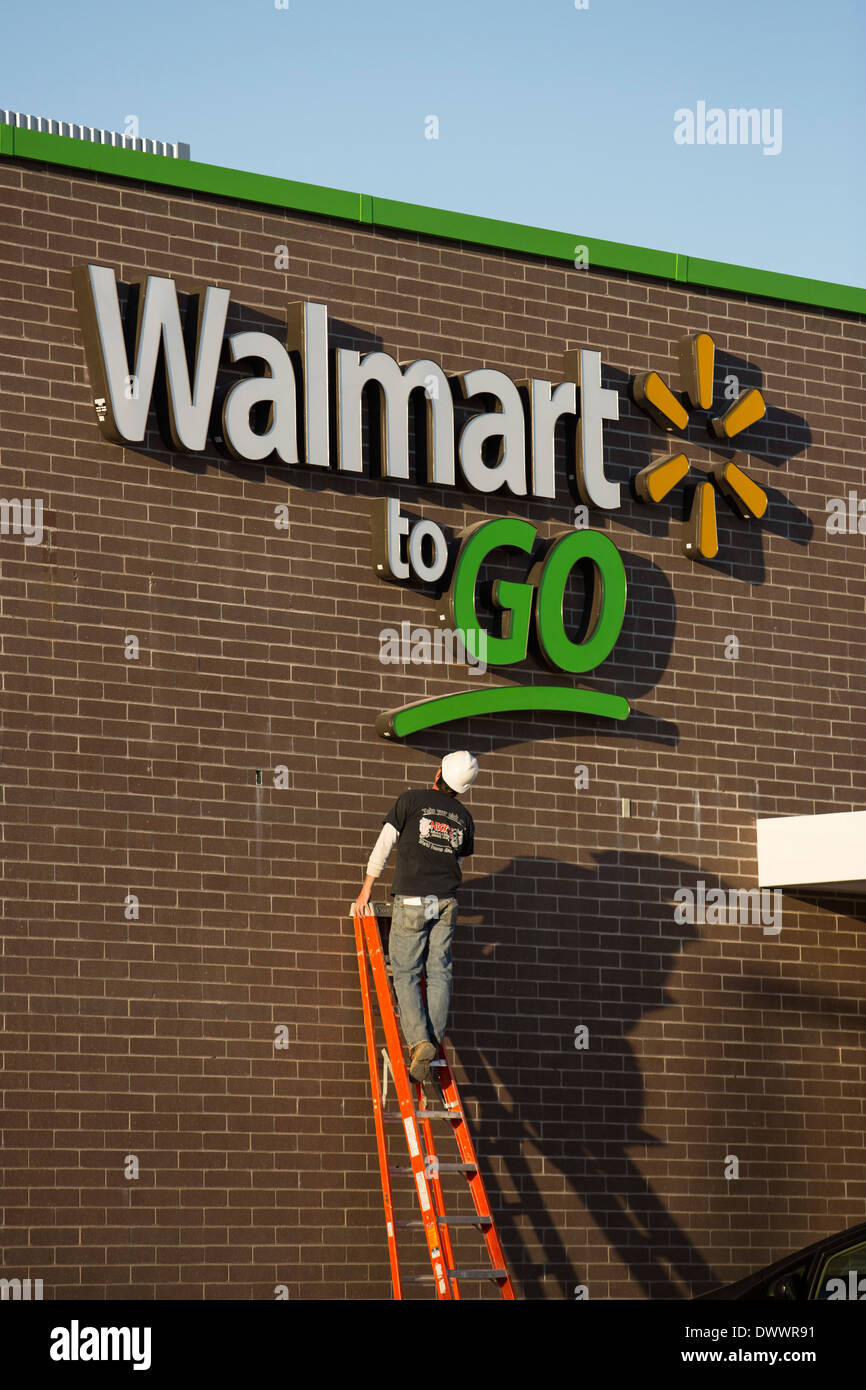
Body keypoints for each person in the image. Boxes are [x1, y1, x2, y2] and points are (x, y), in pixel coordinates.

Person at [351, 751, 478, 1082]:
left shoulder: (411, 801)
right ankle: (433, 1042)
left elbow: (384, 845)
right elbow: (456, 864)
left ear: (438, 773)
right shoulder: (464, 818)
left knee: (406, 972)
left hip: (413, 902)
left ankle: (421, 1042)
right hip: (447, 902)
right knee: (439, 973)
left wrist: (366, 889)